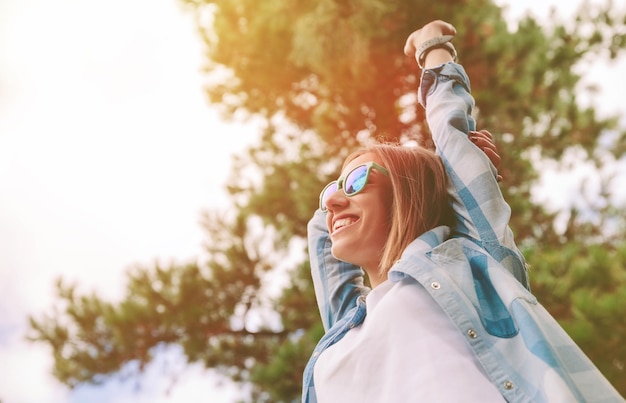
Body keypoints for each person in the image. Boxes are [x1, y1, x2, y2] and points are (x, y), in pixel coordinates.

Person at [302, 20, 623, 402]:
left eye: (356, 181)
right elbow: (323, 231)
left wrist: (433, 50)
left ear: (408, 193)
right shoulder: (347, 326)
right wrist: (347, 189)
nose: (335, 201)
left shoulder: (469, 267)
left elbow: (451, 138)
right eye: (332, 192)